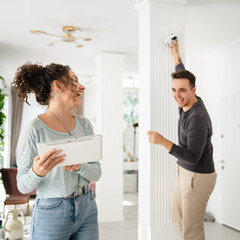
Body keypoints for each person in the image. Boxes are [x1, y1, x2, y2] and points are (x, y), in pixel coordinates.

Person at [12, 63, 102, 240]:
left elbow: (97, 173)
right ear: (58, 86)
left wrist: (79, 166)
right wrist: (37, 172)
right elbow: (23, 186)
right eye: (75, 80)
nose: (82, 86)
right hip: (51, 211)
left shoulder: (84, 124)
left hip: (87, 207)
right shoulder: (33, 129)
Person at [147, 42, 217, 240]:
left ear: (193, 90)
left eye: (182, 91)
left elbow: (193, 157)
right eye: (174, 90)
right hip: (185, 171)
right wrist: (176, 55)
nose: (177, 95)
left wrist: (162, 141)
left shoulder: (197, 118)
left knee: (192, 230)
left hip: (198, 175)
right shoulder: (185, 102)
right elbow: (181, 73)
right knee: (177, 215)